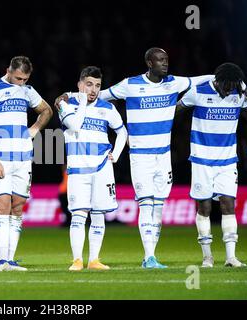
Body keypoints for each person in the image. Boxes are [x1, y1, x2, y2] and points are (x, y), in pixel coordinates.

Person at [56, 48, 212, 268]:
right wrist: (70, 96)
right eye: (160, 60)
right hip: (137, 156)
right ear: (149, 62)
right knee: (143, 205)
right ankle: (142, 256)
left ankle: (147, 256)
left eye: (167, 59)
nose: (165, 63)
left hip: (162, 156)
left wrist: (224, 77)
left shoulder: (173, 83)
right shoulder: (129, 85)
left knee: (157, 206)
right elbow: (99, 95)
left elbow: (198, 80)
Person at [0, 56, 53, 271]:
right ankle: (2, 260)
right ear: (8, 70)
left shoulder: (27, 90)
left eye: (25, 79)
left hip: (23, 159)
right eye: (18, 78)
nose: (21, 83)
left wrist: (34, 130)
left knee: (18, 207)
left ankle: (11, 260)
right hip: (0, 158)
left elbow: (46, 110)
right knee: (2, 206)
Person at [176, 62, 247, 267]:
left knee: (229, 204)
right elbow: (176, 111)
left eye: (232, 87)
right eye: (225, 87)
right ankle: (207, 257)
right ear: (217, 81)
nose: (229, 91)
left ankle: (231, 257)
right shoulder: (198, 91)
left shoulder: (239, 89)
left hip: (227, 160)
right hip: (202, 160)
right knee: (205, 206)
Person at [58, 66, 127, 271]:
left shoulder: (107, 108)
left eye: (97, 85)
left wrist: (117, 153)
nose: (93, 89)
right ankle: (77, 260)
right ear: (80, 84)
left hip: (102, 167)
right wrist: (79, 100)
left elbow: (122, 131)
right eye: (89, 84)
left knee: (98, 214)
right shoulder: (65, 104)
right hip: (78, 168)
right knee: (79, 214)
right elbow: (75, 125)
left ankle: (94, 260)